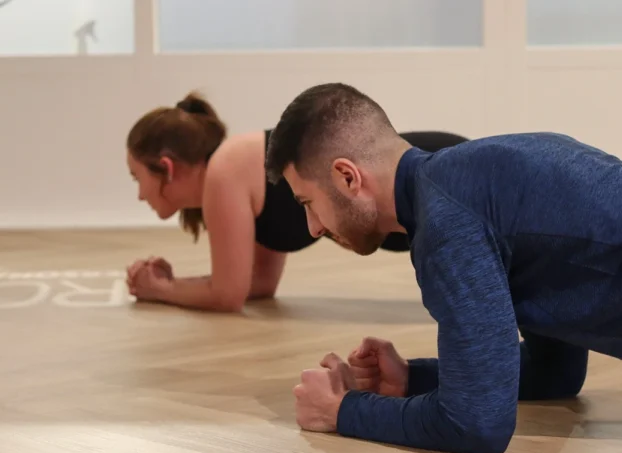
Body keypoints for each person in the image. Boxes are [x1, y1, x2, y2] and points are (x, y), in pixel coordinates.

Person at [264, 82, 622, 453]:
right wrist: (413, 379)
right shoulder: (485, 177)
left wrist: (344, 411)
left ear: (347, 177)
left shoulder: (449, 223)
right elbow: (556, 372)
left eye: (309, 203)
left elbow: (477, 424)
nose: (310, 227)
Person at [124, 92, 469, 312]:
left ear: (166, 168)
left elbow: (226, 296)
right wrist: (173, 286)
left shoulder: (223, 172)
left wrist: (160, 289)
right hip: (432, 177)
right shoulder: (232, 167)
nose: (140, 194)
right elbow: (257, 285)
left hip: (438, 169)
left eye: (138, 178)